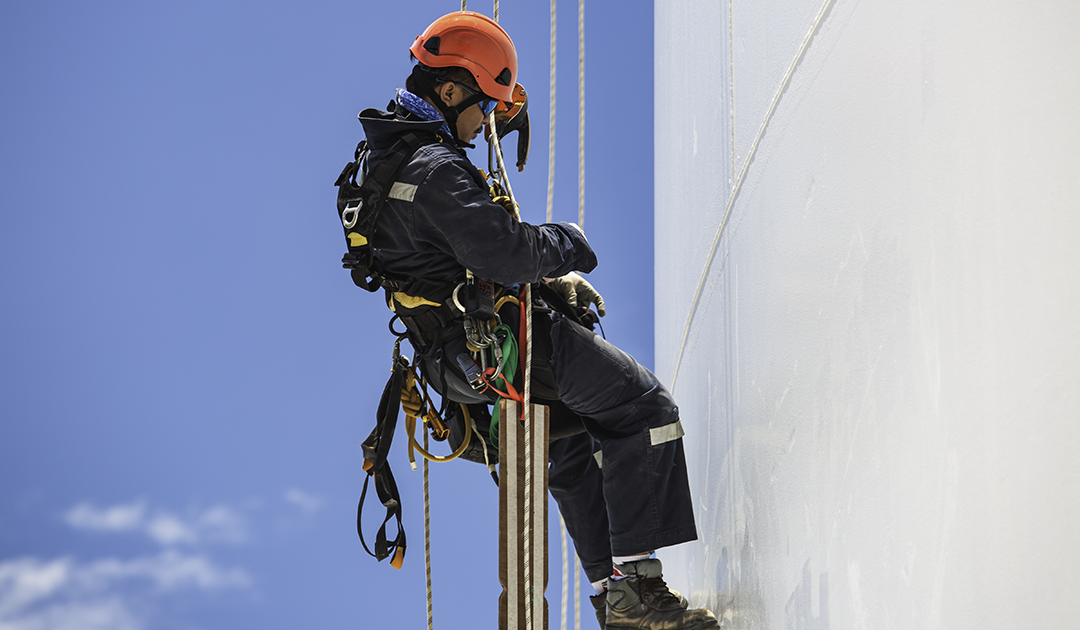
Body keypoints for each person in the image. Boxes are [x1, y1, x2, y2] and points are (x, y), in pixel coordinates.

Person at [337, 11, 719, 630]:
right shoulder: (432, 167)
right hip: (500, 344)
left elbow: (442, 257)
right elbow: (504, 251)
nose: (484, 123)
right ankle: (638, 589)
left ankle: (611, 595)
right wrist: (567, 245)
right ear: (452, 89)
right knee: (644, 407)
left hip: (455, 362)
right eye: (483, 106)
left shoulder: (382, 165)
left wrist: (538, 279)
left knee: (566, 445)